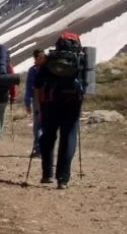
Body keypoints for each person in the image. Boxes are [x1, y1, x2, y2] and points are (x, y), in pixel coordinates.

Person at [34, 31, 88, 190]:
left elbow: (38, 84)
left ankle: (46, 174)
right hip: (72, 104)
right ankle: (63, 178)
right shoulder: (82, 60)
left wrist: (39, 106)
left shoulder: (50, 59)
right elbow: (88, 86)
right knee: (68, 137)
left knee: (48, 137)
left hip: (50, 103)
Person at [24, 49, 46, 157]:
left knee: (38, 126)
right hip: (51, 99)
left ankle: (38, 149)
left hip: (37, 99)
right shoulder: (50, 69)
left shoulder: (33, 70)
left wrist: (27, 102)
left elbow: (29, 88)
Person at [0, 58, 17, 142]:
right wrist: (13, 95)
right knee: (1, 113)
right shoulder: (8, 66)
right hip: (4, 93)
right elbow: (12, 81)